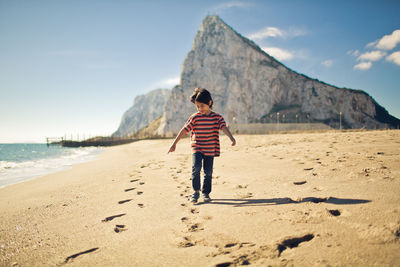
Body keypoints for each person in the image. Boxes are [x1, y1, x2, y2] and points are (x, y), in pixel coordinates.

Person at [168, 87, 236, 203]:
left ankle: (206, 193)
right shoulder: (195, 117)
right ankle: (195, 192)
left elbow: (223, 127)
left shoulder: (217, 117)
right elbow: (184, 130)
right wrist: (174, 143)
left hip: (210, 148)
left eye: (202, 106)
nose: (200, 109)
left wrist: (231, 137)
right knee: (196, 168)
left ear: (209, 103)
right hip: (197, 147)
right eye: (197, 106)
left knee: (208, 172)